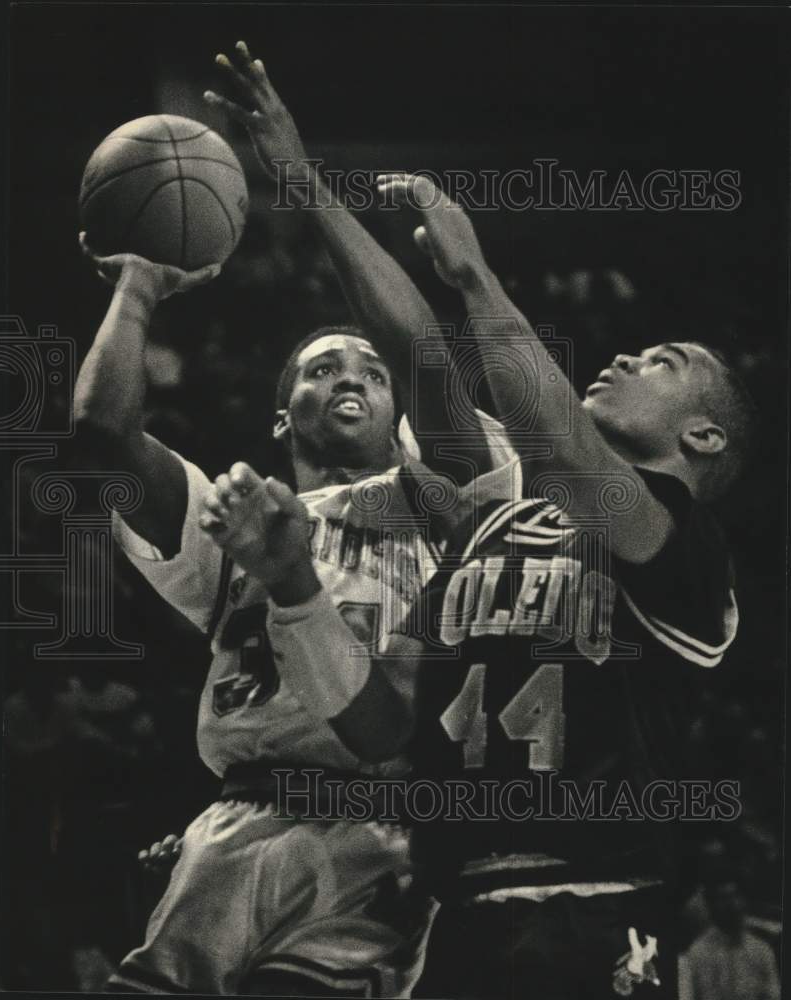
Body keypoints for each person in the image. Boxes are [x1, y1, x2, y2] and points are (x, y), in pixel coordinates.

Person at [225, 175, 754, 998]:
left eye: (663, 362)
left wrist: (475, 277)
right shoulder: (483, 528)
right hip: (460, 915)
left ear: (703, 435)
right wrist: (293, 586)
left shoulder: (685, 545)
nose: (625, 358)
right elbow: (377, 724)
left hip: (597, 909)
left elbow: (566, 451)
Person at [71, 43, 501, 997]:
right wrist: (138, 284)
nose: (350, 375)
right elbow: (102, 439)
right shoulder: (239, 516)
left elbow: (423, 351)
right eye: (319, 368)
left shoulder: (451, 495)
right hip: (231, 824)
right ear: (281, 415)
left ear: (399, 413)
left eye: (367, 372)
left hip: (378, 833)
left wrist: (300, 183)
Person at [681, 877, 780, 1000]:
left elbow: (773, 995)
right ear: (712, 907)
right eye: (723, 898)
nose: (732, 905)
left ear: (744, 901)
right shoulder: (696, 954)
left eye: (735, 896)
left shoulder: (761, 950)